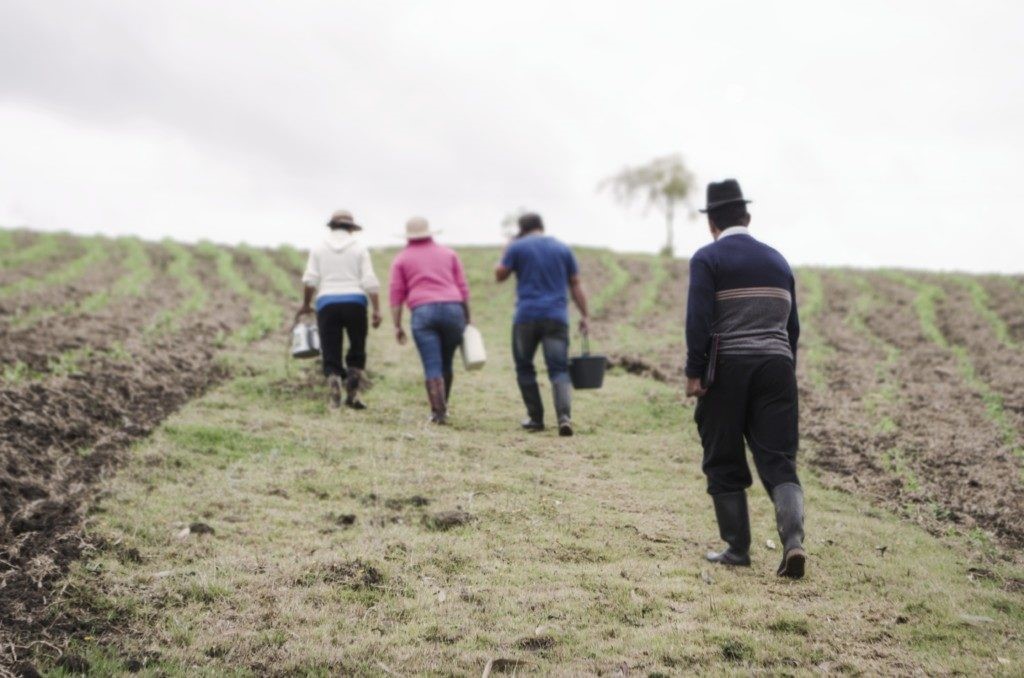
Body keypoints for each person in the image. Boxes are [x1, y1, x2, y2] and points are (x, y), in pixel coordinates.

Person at [684, 179, 806, 579]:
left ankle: (737, 549)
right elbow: (793, 327)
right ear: (747, 218)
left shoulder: (708, 259)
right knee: (779, 459)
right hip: (777, 366)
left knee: (722, 454)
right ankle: (793, 543)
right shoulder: (778, 261)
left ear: (711, 223)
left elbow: (699, 319)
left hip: (728, 368)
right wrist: (784, 366)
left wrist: (694, 371)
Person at [495, 213, 590, 437]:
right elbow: (576, 284)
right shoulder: (562, 248)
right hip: (557, 317)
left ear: (521, 229)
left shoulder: (517, 247)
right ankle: (564, 417)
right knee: (558, 368)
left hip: (526, 317)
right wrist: (585, 315)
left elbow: (500, 275)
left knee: (524, 366)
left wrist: (506, 248)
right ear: (541, 226)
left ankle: (535, 418)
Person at [389, 216, 471, 424]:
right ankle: (444, 406)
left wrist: (397, 325)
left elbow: (396, 295)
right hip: (453, 310)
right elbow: (462, 288)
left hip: (423, 312)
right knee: (447, 362)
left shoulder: (401, 259)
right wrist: (467, 317)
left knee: (432, 364)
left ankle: (438, 413)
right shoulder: (449, 254)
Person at [299, 209, 382, 409]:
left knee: (330, 347)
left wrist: (306, 304)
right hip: (355, 302)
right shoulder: (359, 248)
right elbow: (369, 281)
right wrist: (377, 309)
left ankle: (334, 388)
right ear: (351, 228)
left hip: (327, 302)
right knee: (357, 346)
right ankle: (352, 394)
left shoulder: (318, 248)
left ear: (332, 226)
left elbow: (310, 280)